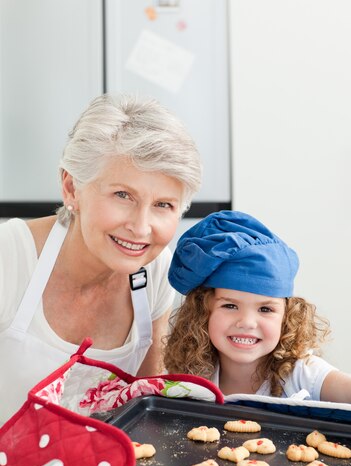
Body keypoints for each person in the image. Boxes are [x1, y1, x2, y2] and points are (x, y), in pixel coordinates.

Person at [0, 92, 201, 424]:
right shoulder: (9, 258)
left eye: (163, 205)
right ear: (71, 188)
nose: (140, 227)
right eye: (122, 195)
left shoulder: (155, 271)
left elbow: (150, 410)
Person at [164, 210, 351, 407]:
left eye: (265, 309)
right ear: (202, 312)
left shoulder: (301, 374)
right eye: (230, 305)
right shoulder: (194, 375)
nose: (247, 322)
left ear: (286, 317)